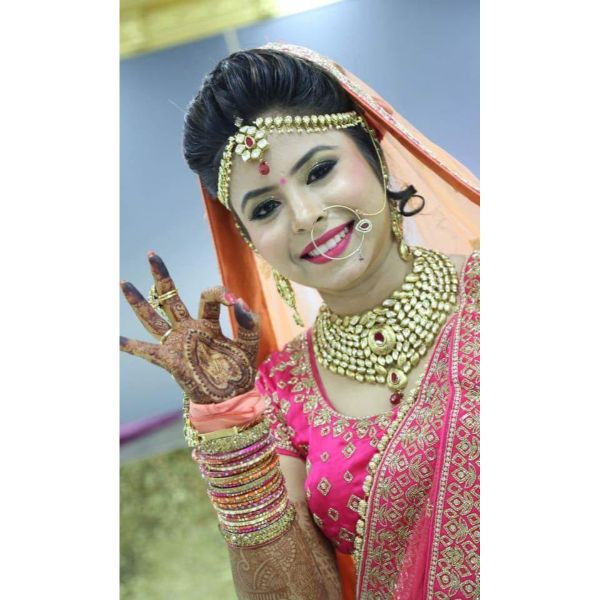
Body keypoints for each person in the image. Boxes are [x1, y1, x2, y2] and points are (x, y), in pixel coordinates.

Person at [120, 43, 480, 599]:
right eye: (265, 208)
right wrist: (227, 428)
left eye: (321, 170)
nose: (306, 216)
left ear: (376, 154)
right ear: (248, 239)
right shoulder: (280, 394)